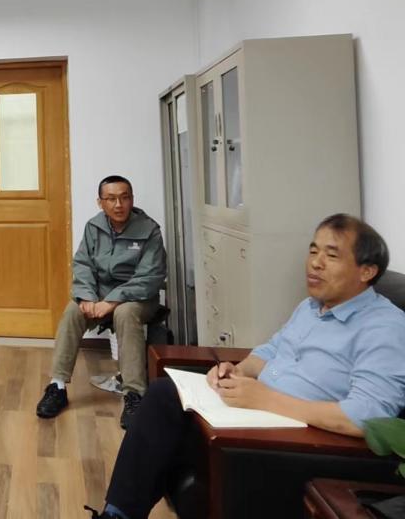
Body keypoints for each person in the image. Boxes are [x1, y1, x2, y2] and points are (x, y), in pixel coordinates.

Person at [88, 214, 405, 519]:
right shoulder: (311, 307)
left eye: (331, 255)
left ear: (367, 271)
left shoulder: (384, 327)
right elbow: (270, 350)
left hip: (295, 438)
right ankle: (117, 514)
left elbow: (369, 417)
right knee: (163, 396)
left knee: (163, 428)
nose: (315, 263)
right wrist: (239, 370)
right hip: (256, 413)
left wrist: (267, 400)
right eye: (313, 251)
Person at [36, 175, 166, 428]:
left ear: (132, 199)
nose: (119, 204)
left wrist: (112, 302)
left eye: (124, 198)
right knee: (73, 312)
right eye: (111, 199)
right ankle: (57, 386)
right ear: (100, 202)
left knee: (125, 314)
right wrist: (86, 296)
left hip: (138, 297)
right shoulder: (94, 227)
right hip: (99, 295)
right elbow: (82, 264)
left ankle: (134, 394)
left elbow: (150, 276)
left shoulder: (149, 230)